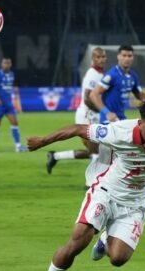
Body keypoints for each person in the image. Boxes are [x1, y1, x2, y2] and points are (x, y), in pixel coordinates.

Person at [28, 99, 145, 271]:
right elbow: (78, 129)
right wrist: (42, 141)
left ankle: (105, 238)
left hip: (135, 205)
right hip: (105, 193)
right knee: (78, 240)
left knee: (118, 259)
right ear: (140, 123)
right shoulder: (118, 132)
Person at [46, 47, 107, 175]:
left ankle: (55, 156)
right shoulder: (93, 74)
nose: (101, 59)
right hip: (88, 114)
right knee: (96, 153)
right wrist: (103, 111)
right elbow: (87, 98)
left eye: (103, 57)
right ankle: (90, 183)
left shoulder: (101, 73)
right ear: (93, 59)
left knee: (96, 152)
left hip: (92, 115)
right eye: (98, 57)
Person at [89, 45, 145, 124]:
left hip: (121, 118)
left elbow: (139, 95)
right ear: (118, 56)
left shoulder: (133, 76)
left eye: (129, 56)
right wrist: (107, 112)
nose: (127, 58)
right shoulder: (112, 75)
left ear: (133, 57)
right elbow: (93, 94)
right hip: (108, 120)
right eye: (124, 55)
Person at [0, 57, 26, 153]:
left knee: (15, 122)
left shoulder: (12, 74)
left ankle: (18, 146)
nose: (6, 65)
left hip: (9, 105)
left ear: (11, 64)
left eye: (8, 63)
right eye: (5, 63)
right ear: (1, 64)